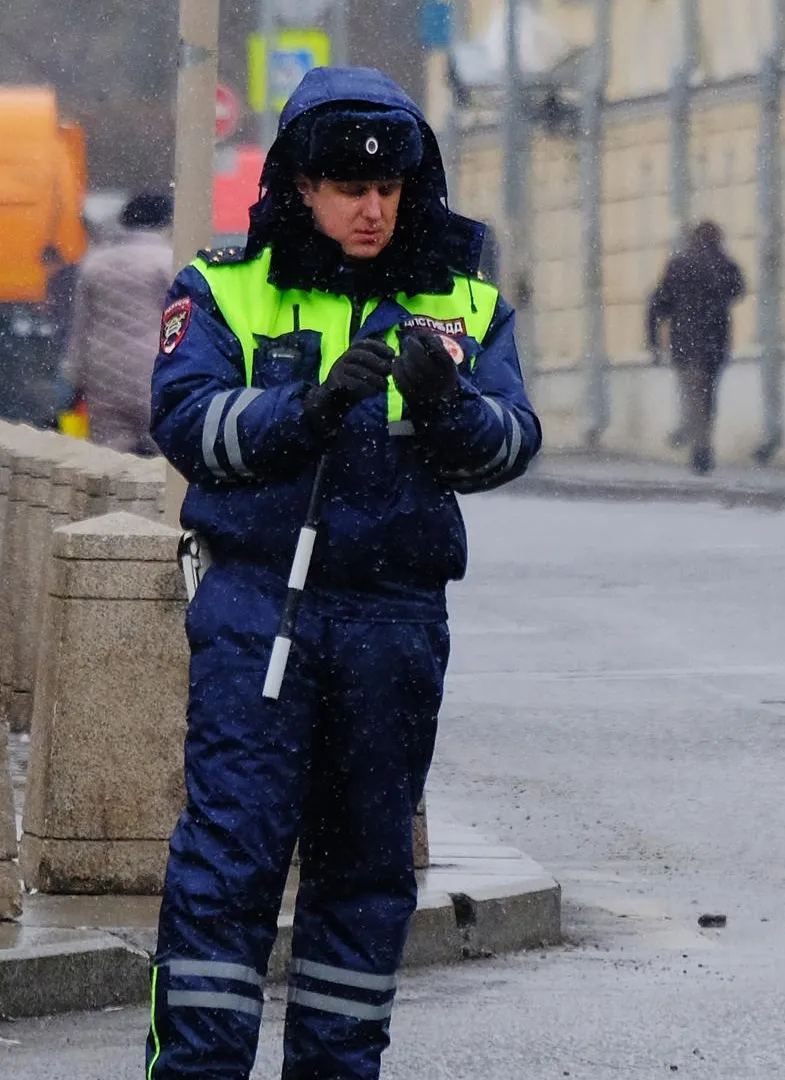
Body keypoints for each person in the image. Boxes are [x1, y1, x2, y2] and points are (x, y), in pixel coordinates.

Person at [144, 66, 540, 1080]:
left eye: (387, 189)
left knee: (366, 881)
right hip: (258, 611)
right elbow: (189, 424)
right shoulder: (228, 282)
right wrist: (309, 411)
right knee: (228, 871)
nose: (369, 209)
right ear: (300, 188)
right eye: (344, 188)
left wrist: (448, 404)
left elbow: (508, 448)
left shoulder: (462, 295)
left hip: (395, 622)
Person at [58, 192, 176, 454]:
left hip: (102, 373)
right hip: (155, 373)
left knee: (110, 455)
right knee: (162, 459)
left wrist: (75, 376)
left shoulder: (96, 263)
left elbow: (81, 326)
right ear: (165, 222)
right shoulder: (168, 262)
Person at [647, 220, 745, 475]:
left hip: (684, 344)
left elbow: (658, 305)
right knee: (707, 397)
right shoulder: (724, 264)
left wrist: (654, 343)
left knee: (693, 395)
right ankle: (699, 441)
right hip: (714, 344)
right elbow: (738, 291)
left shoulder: (679, 265)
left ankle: (696, 442)